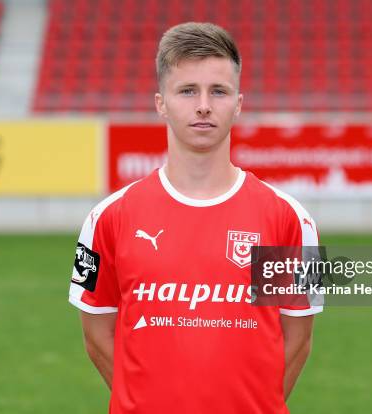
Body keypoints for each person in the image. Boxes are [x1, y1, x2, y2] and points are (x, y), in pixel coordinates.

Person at [68, 22, 322, 414]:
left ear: (237, 103)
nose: (203, 105)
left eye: (218, 91)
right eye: (187, 91)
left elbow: (299, 339)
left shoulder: (289, 219)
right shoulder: (109, 217)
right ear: (161, 103)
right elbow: (96, 333)